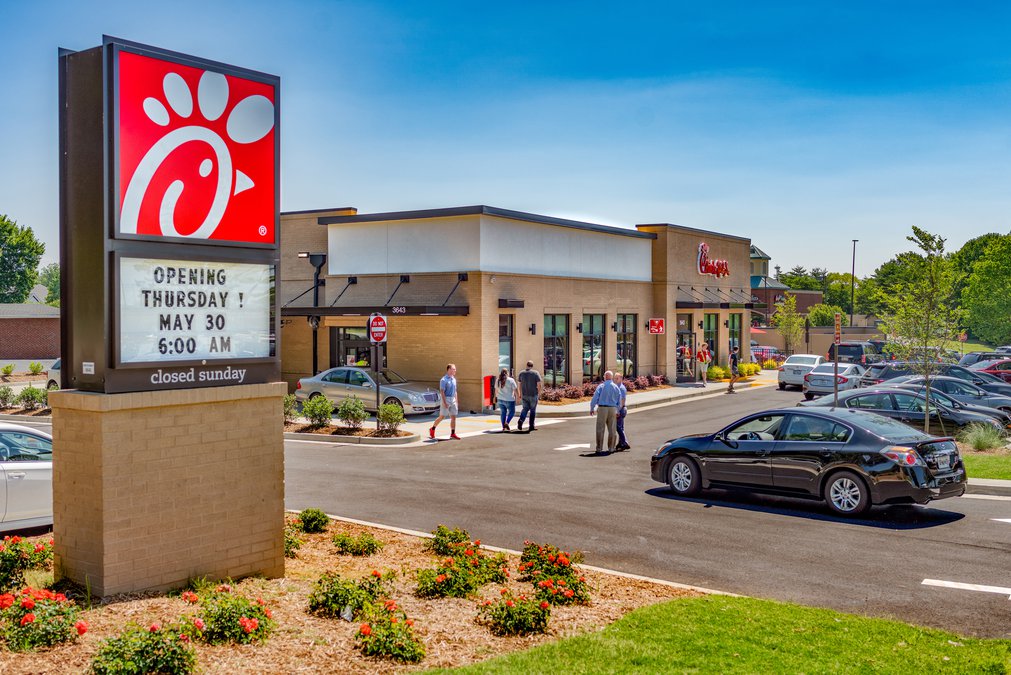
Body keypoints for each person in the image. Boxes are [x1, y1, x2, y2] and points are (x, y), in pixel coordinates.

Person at [589, 371, 622, 455]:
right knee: (612, 429)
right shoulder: (616, 387)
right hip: (612, 408)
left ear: (605, 377)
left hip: (602, 408)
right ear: (611, 377)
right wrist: (618, 410)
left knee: (600, 429)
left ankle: (599, 448)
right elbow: (619, 400)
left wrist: (592, 408)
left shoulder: (601, 386)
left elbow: (595, 398)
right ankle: (611, 448)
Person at [430, 364, 460, 440]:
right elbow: (442, 392)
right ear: (449, 370)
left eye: (455, 369)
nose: (455, 370)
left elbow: (455, 391)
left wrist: (456, 401)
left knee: (453, 417)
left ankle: (453, 433)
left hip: (453, 399)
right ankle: (432, 429)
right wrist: (445, 402)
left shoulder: (454, 379)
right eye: (453, 369)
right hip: (446, 399)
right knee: (442, 416)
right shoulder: (443, 380)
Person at [516, 360, 542, 432]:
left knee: (525, 409)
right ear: (532, 366)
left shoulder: (521, 373)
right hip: (533, 394)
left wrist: (519, 394)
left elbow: (519, 385)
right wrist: (539, 393)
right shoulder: (535, 373)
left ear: (526, 365)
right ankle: (531, 426)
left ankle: (521, 420)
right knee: (532, 410)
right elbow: (539, 384)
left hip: (524, 395)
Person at [614, 372, 630, 451]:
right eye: (615, 378)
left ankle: (625, 442)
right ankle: (621, 443)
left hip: (621, 410)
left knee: (618, 427)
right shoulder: (617, 387)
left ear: (621, 378)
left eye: (617, 378)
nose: (615, 379)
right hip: (620, 409)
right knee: (620, 427)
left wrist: (618, 411)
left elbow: (622, 401)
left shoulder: (621, 388)